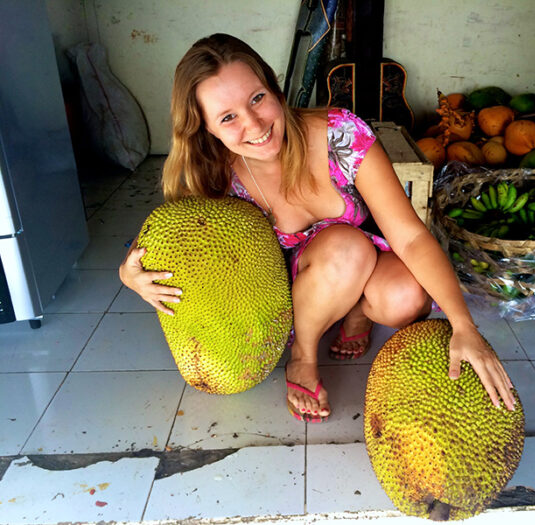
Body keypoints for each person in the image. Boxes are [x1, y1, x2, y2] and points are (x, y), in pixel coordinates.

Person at [119, 33, 515, 423]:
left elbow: (410, 236)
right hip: (279, 289)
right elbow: (171, 236)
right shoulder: (213, 173)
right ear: (205, 127)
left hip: (357, 258)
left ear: (275, 90)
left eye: (257, 98)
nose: (255, 124)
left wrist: (464, 326)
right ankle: (303, 356)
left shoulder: (340, 136)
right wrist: (129, 274)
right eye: (227, 117)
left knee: (406, 297)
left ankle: (357, 310)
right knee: (345, 250)